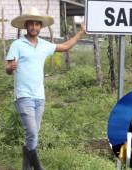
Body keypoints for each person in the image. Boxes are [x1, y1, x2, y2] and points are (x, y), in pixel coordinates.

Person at [5, 7, 85, 170]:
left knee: (33, 136)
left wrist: (80, 33)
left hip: (39, 97)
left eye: (37, 24)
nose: (34, 27)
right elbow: (7, 69)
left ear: (40, 27)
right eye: (31, 24)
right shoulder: (17, 44)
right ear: (26, 26)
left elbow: (64, 47)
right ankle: (39, 167)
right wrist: (10, 67)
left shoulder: (44, 45)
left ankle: (26, 167)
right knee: (32, 133)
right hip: (23, 95)